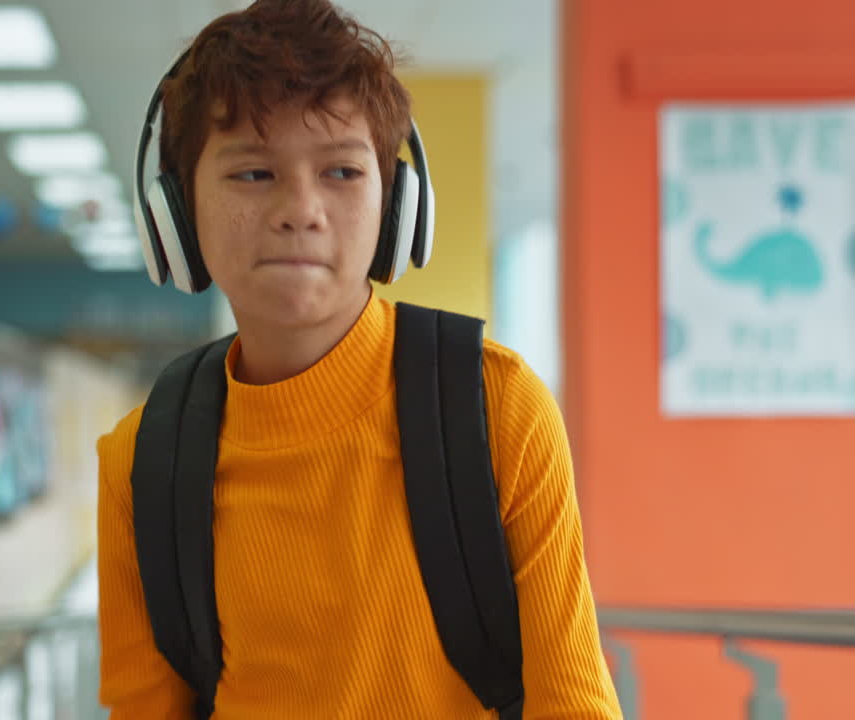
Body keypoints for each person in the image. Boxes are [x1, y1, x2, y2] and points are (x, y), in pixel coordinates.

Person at [96, 0, 623, 717]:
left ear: (396, 208)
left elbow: (573, 704)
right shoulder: (142, 461)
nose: (301, 209)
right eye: (253, 174)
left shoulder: (495, 409)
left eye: (342, 171)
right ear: (176, 214)